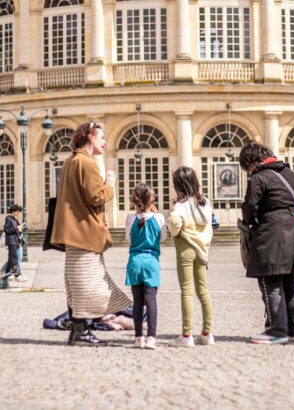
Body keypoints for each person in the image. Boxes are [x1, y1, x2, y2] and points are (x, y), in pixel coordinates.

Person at [51, 121, 132, 346]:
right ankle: (81, 332)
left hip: (72, 233)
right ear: (90, 137)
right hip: (84, 233)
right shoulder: (88, 164)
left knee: (77, 282)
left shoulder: (70, 161)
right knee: (89, 283)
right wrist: (110, 185)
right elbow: (96, 196)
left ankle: (79, 331)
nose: (104, 141)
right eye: (101, 137)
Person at [239, 141, 294, 345]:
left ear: (251, 162)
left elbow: (250, 207)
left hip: (271, 234)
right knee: (290, 281)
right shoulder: (290, 174)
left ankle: (276, 329)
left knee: (270, 280)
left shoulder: (259, 177)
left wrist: (249, 223)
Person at [168, 166, 214, 347]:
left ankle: (186, 336)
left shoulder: (180, 205)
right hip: (202, 248)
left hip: (185, 247)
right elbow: (209, 225)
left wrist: (173, 230)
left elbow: (175, 224)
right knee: (203, 290)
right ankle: (207, 333)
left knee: (186, 290)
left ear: (178, 185)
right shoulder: (205, 202)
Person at [125, 183, 167, 350]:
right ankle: (151, 337)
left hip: (134, 261)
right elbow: (162, 238)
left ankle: (137, 338)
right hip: (151, 262)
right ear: (152, 199)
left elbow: (129, 239)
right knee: (151, 301)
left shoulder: (129, 218)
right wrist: (155, 214)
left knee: (137, 302)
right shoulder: (159, 218)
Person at [1, 204, 23, 280]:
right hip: (11, 241)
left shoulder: (14, 219)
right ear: (13, 211)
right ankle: (18, 275)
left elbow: (17, 229)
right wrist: (16, 229)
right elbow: (6, 230)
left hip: (15, 240)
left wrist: (20, 228)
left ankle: (4, 275)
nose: (18, 213)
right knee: (14, 258)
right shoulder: (9, 219)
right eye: (17, 212)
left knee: (12, 258)